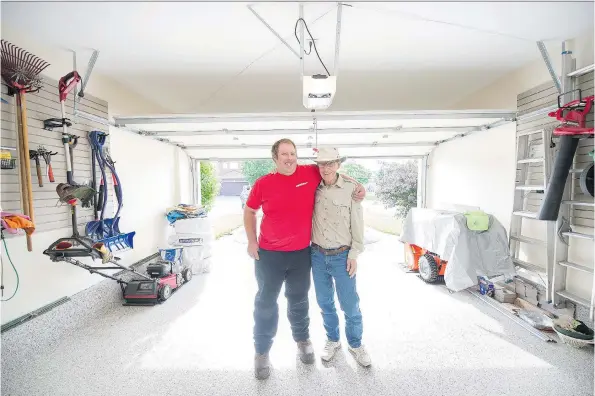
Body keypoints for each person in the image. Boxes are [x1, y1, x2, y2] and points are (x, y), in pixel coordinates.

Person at [244, 138, 365, 380]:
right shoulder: (263, 183)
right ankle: (261, 352)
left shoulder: (310, 172)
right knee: (266, 303)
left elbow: (335, 173)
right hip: (269, 255)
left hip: (301, 254)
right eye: (284, 154)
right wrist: (251, 241)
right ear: (275, 158)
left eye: (293, 153)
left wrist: (360, 186)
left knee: (299, 301)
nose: (289, 158)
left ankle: (302, 340)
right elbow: (249, 211)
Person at [310, 147, 371, 367]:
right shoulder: (311, 186)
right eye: (321, 164)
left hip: (342, 255)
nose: (325, 168)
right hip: (316, 255)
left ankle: (356, 344)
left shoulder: (351, 189)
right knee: (325, 303)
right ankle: (333, 340)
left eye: (330, 163)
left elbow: (357, 224)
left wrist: (354, 253)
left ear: (338, 164)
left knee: (349, 304)